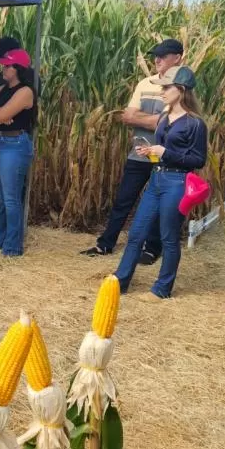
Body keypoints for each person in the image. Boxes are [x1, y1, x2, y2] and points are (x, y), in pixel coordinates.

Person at [81, 39, 180, 260]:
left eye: (163, 56)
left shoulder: (181, 86)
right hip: (139, 153)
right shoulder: (145, 83)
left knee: (160, 205)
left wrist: (143, 119)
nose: (157, 60)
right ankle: (106, 244)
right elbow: (127, 116)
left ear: (177, 58)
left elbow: (165, 123)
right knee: (123, 199)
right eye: (156, 56)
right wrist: (153, 119)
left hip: (165, 157)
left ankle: (152, 248)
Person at [114, 66, 207, 297]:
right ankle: (120, 281)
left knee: (168, 236)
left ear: (181, 89)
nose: (162, 92)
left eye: (167, 87)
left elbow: (199, 159)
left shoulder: (195, 124)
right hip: (157, 178)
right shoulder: (165, 117)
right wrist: (151, 152)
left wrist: (165, 152)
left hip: (177, 182)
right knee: (136, 232)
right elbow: (165, 150)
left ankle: (162, 288)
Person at [0, 48, 36, 256]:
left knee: (11, 198)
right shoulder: (2, 89)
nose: (3, 68)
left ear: (18, 68)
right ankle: (0, 239)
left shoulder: (25, 91)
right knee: (1, 197)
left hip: (14, 145)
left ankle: (12, 247)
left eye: (7, 65)